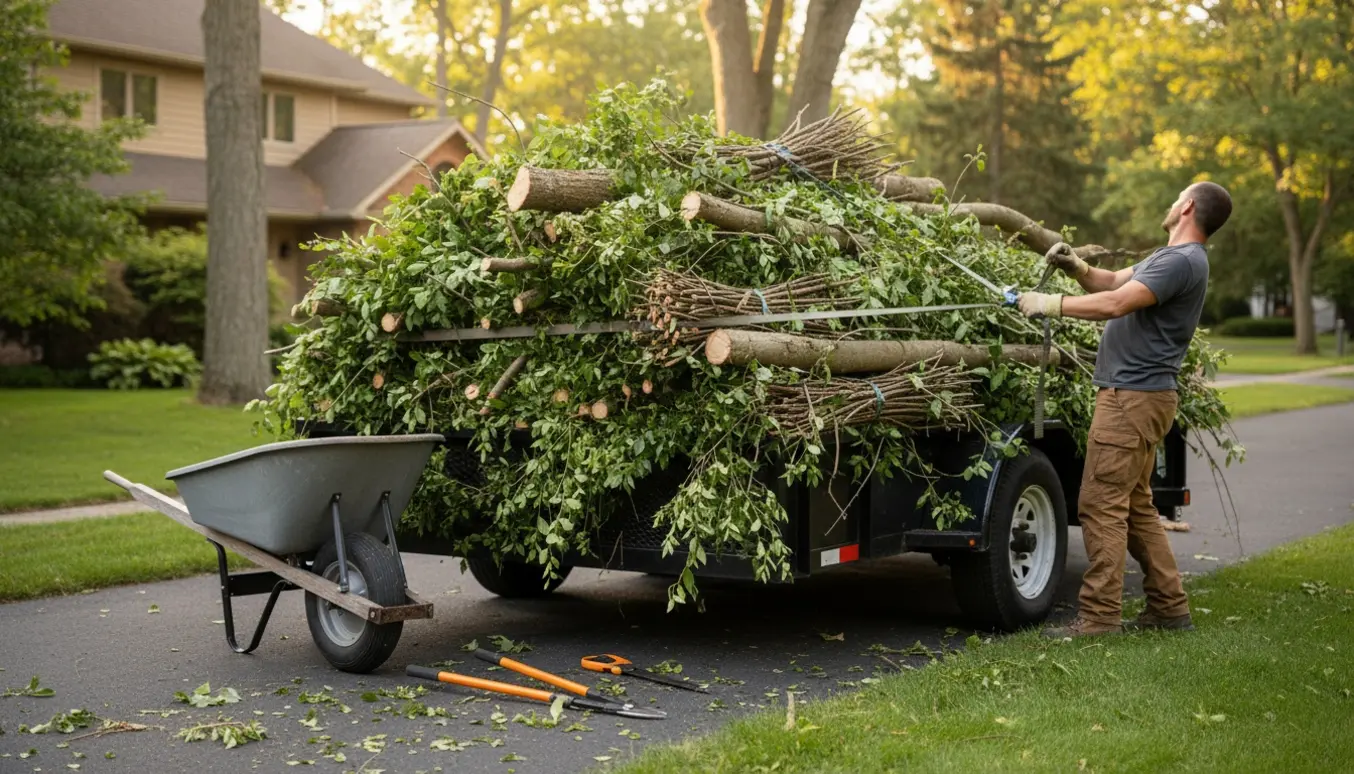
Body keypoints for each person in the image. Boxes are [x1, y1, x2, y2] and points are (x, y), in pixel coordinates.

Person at [1017, 181, 1232, 638]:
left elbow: (1115, 304)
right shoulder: (1167, 256)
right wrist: (1077, 268)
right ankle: (1169, 609)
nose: (1171, 201)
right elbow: (1112, 282)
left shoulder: (1182, 261)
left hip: (1130, 398)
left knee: (1100, 505)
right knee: (1135, 507)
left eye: (1177, 196)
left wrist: (1048, 304)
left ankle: (1098, 619)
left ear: (1188, 206)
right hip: (1140, 397)